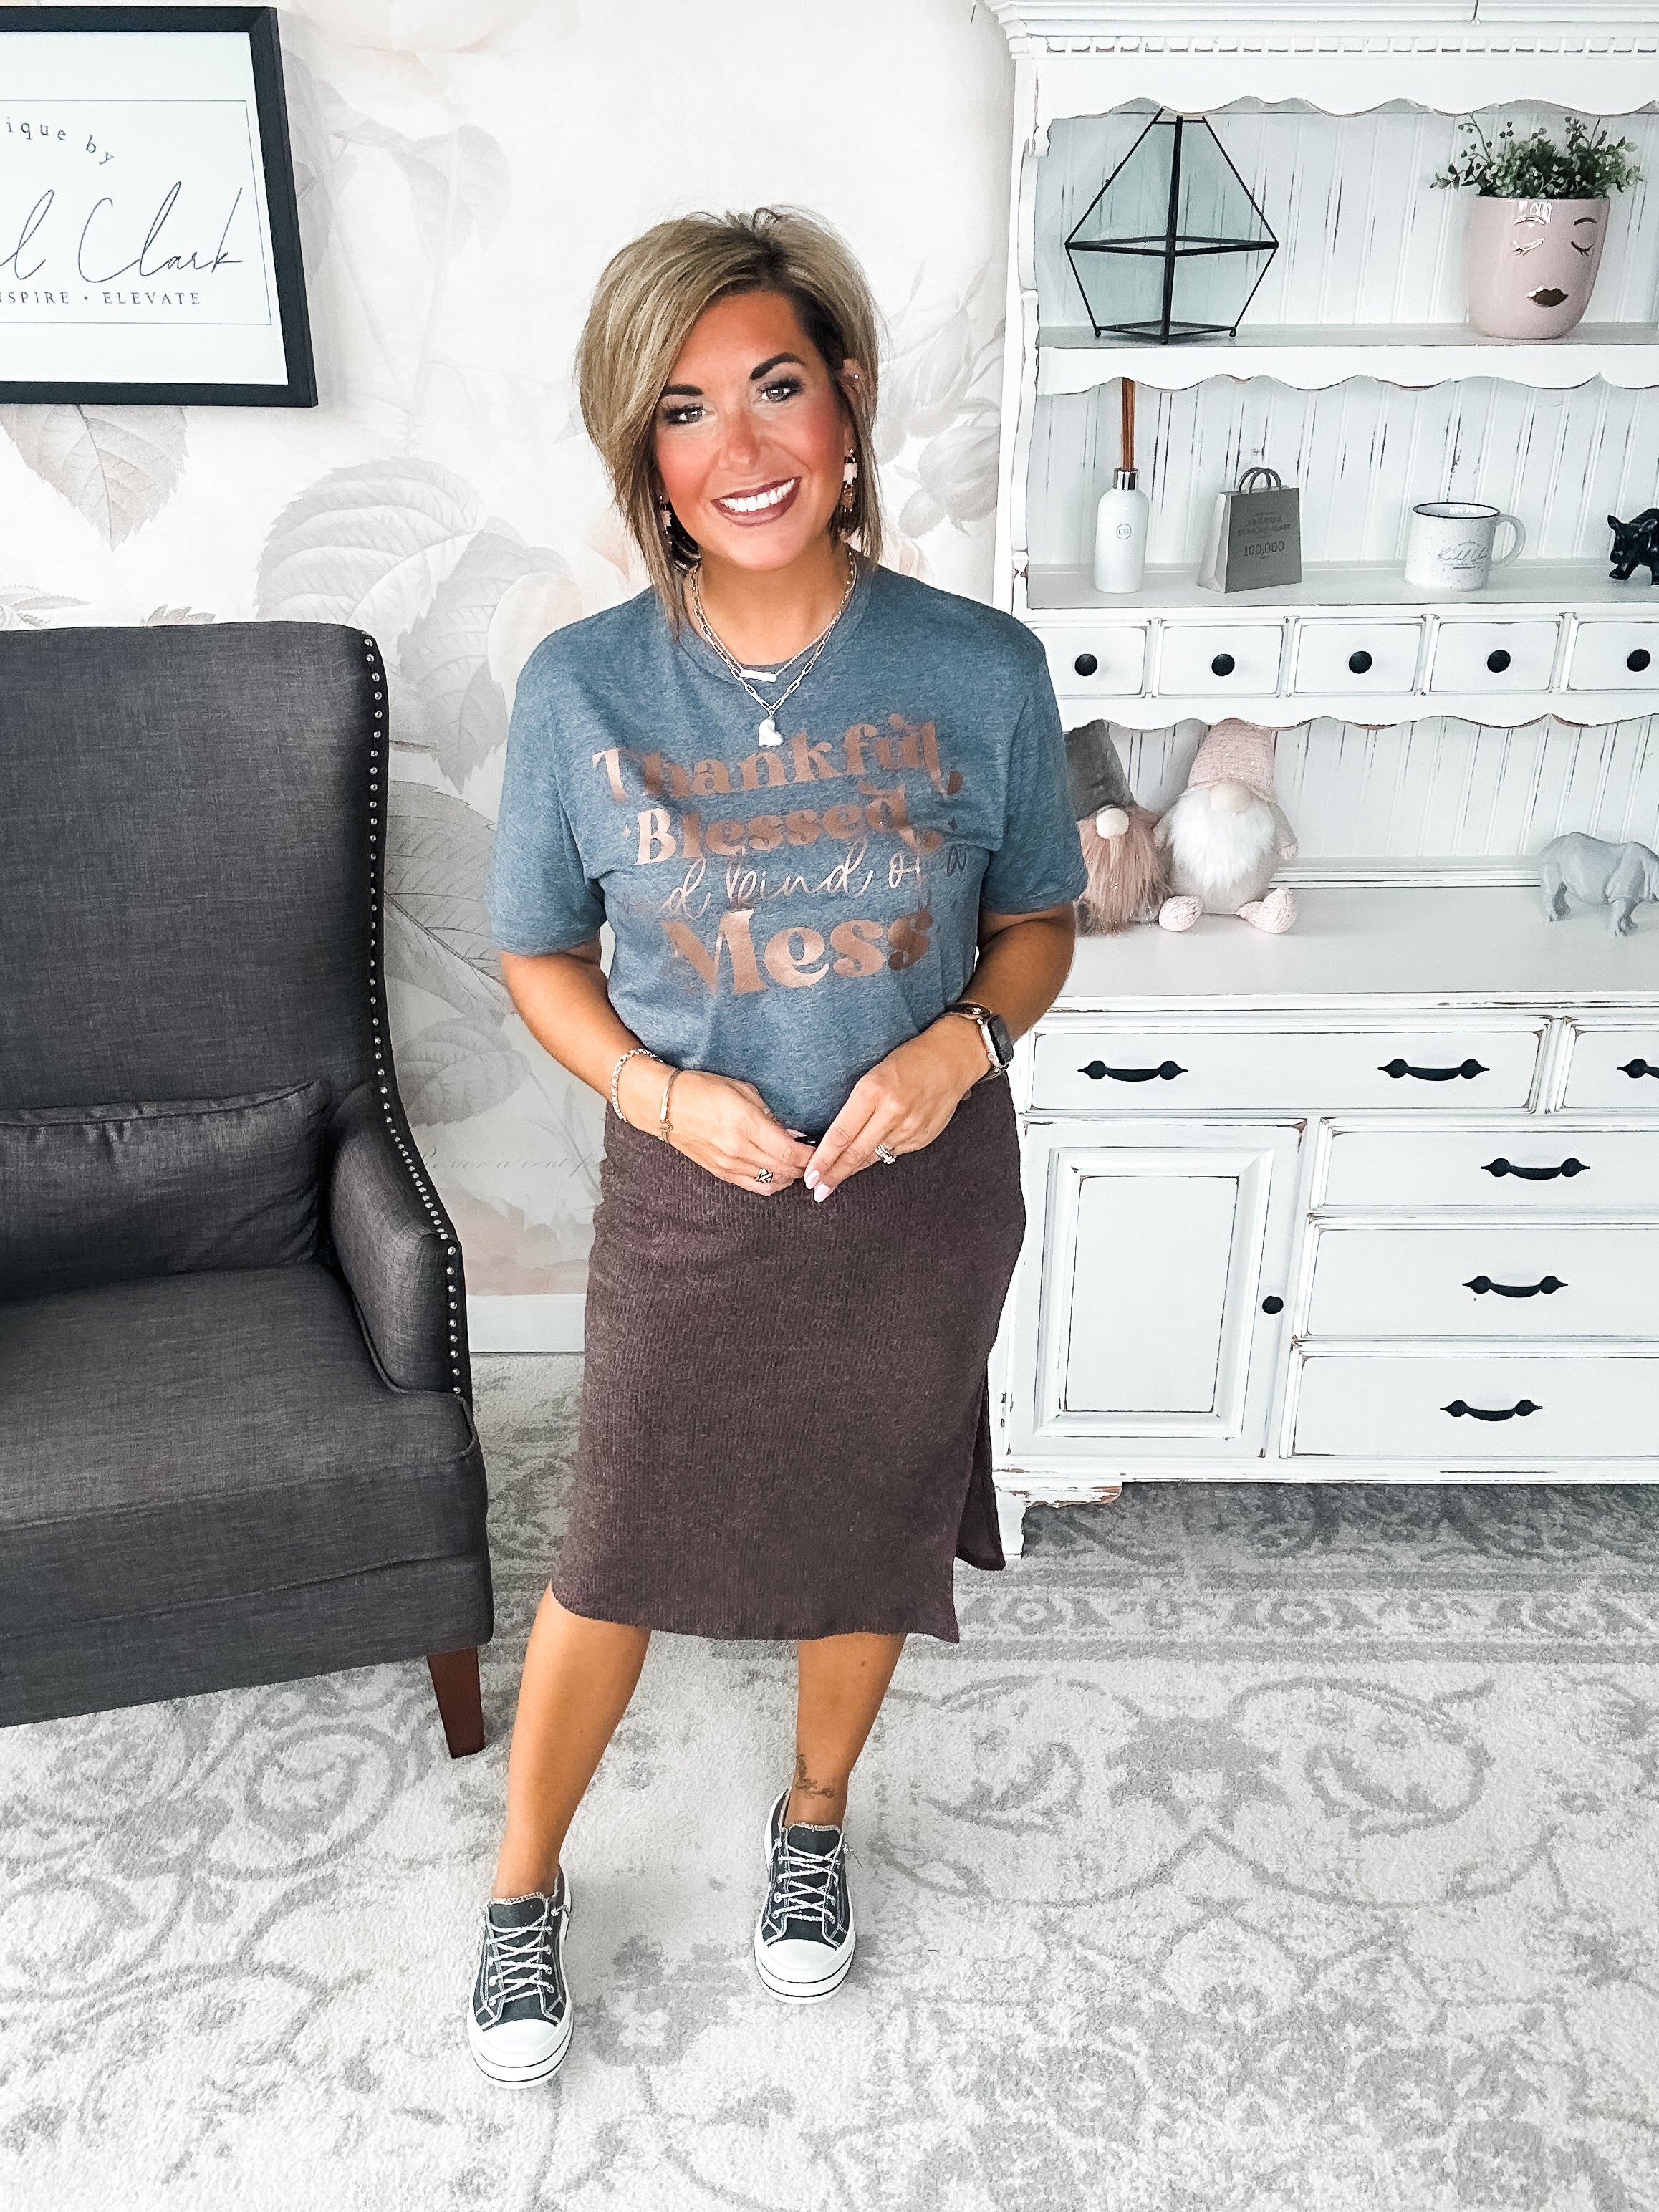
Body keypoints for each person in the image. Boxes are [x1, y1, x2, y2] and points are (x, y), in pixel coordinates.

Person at [470, 204, 1085, 2086]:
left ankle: (809, 1824)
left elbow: (1040, 918)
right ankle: (519, 1882)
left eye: (774, 390)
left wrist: (964, 1046)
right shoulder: (582, 687)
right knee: (616, 1549)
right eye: (680, 412)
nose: (737, 452)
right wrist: (661, 1100)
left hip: (914, 1202)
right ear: (636, 453)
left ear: (847, 405)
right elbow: (534, 953)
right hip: (693, 1193)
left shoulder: (978, 667)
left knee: (864, 1530)